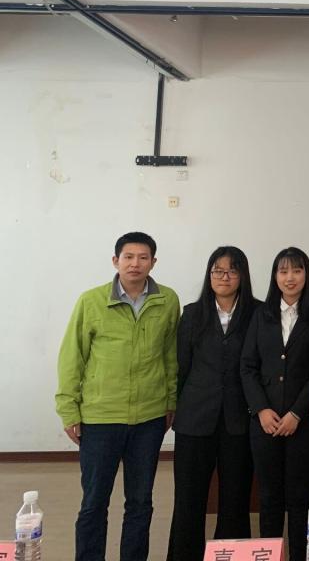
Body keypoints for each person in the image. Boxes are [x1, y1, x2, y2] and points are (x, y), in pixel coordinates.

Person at [56, 231, 180, 561]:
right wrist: (69, 409)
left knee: (140, 502)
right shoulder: (91, 301)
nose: (135, 263)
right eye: (128, 257)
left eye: (143, 257)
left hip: (149, 418)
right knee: (94, 502)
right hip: (100, 417)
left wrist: (171, 400)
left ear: (153, 262)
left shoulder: (168, 300)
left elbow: (171, 355)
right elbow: (72, 357)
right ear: (115, 261)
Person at [241, 247, 309, 561]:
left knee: (299, 498)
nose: (290, 277)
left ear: (307, 274)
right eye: (283, 271)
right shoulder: (261, 314)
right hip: (264, 423)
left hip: (303, 424)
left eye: (296, 270)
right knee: (268, 498)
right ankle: (269, 555)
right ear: (275, 276)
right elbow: (248, 366)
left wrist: (296, 412)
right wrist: (261, 409)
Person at [168, 246, 258, 561]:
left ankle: (232, 556)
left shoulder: (258, 313)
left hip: (239, 418)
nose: (224, 277)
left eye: (232, 270)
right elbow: (181, 366)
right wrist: (175, 408)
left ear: (243, 276)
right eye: (218, 270)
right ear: (209, 275)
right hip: (195, 417)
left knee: (235, 498)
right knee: (189, 498)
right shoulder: (193, 313)